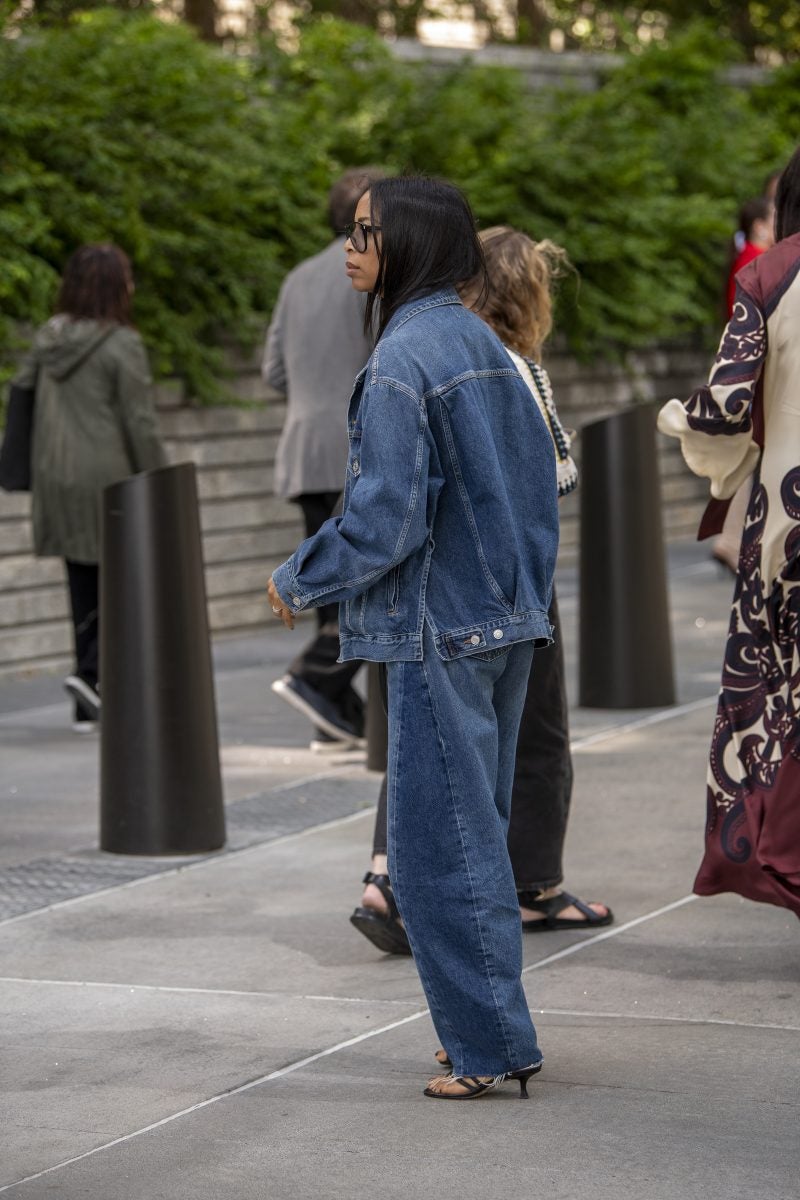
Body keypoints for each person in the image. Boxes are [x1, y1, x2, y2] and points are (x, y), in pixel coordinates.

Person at [268, 177, 558, 1099]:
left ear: (412, 246)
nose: (350, 246)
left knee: (439, 852)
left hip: (441, 628)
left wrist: (297, 577)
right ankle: (494, 1033)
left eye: (366, 233)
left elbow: (386, 518)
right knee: (480, 838)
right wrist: (526, 604)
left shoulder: (403, 359)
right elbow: (540, 491)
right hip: (504, 623)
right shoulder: (484, 343)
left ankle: (485, 1050)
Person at [350, 226, 612, 956]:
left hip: (421, 581)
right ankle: (533, 886)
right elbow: (555, 475)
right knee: (534, 733)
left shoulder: (422, 351)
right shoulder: (515, 366)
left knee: (423, 731)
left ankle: (386, 875)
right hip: (505, 582)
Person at [657, 146, 800, 919]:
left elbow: (723, 407)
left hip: (791, 525)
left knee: (781, 702)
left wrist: (680, 423)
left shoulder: (773, 276)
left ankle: (777, 855)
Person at [13, 244, 166, 732]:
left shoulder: (49, 337)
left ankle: (87, 700)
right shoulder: (122, 344)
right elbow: (139, 422)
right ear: (113, 286)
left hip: (55, 476)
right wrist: (162, 482)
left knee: (83, 583)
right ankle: (94, 674)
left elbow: (20, 396)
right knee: (125, 583)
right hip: (108, 479)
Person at [262, 168, 385, 750]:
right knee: (359, 576)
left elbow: (273, 371)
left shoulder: (297, 277)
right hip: (353, 445)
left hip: (302, 449)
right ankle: (314, 679)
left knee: (327, 576)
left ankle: (330, 719)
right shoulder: (370, 275)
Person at [713, 196, 775, 575]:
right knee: (750, 454)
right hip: (754, 372)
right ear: (758, 225)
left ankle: (734, 540)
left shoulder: (746, 258)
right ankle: (733, 541)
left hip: (744, 370)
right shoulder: (755, 260)